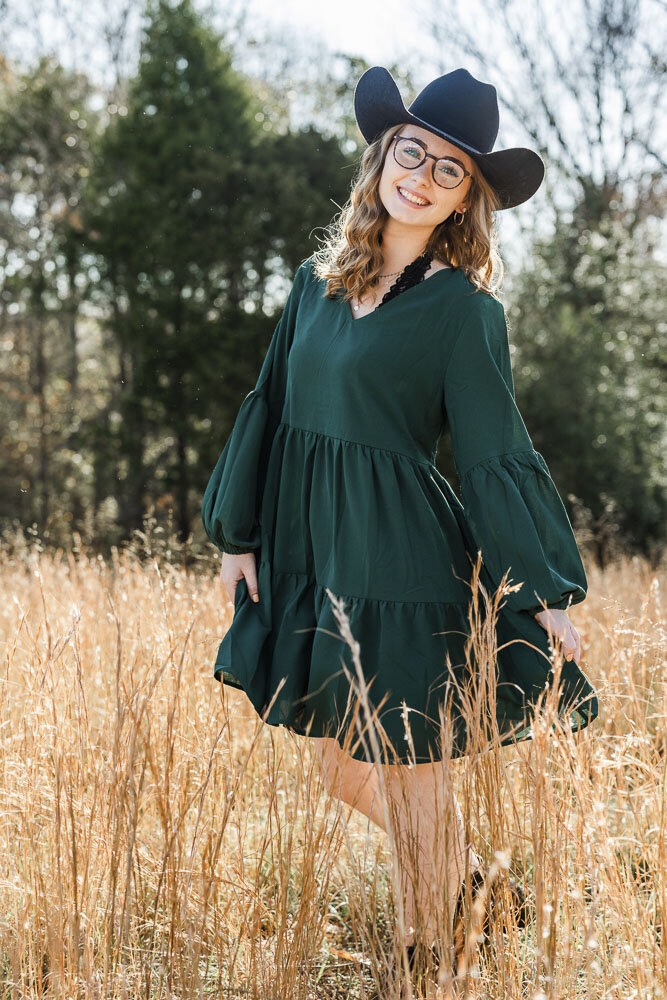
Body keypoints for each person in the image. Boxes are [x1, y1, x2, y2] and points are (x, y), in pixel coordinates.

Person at [201, 66, 599, 988]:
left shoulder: (464, 312)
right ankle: (475, 889)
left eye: (447, 171)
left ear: (465, 201)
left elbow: (496, 451)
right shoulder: (315, 284)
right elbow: (269, 403)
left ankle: (430, 956)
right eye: (410, 154)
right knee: (343, 771)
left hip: (406, 559)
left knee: (413, 769)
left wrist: (538, 593)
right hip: (318, 550)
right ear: (383, 157)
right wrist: (238, 532)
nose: (419, 177)